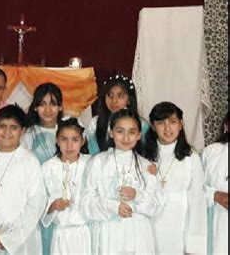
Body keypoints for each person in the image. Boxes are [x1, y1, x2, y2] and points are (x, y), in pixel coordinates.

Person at [82, 109, 162, 254]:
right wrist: (113, 206)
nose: (126, 137)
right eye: (120, 131)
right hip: (109, 234)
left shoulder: (146, 166)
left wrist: (137, 195)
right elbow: (87, 203)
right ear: (111, 133)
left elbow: (156, 206)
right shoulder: (99, 162)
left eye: (132, 132)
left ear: (139, 135)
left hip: (138, 234)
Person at [0, 104, 47, 254]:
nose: (7, 132)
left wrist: (10, 238)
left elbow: (36, 203)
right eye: (2, 126)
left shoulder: (29, 161)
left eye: (13, 127)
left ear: (23, 131)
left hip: (21, 241)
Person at [142, 102, 207, 255]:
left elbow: (197, 201)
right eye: (161, 123)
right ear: (152, 126)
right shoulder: (144, 156)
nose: (167, 128)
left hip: (180, 229)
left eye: (172, 122)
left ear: (180, 124)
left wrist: (194, 246)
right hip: (149, 228)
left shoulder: (191, 157)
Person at [22, 82, 64, 255]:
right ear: (35, 107)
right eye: (43, 104)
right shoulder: (28, 135)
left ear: (60, 107)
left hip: (63, 201)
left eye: (53, 103)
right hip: (36, 203)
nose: (48, 109)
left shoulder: (69, 130)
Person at [41, 118, 92, 254]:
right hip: (61, 234)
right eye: (64, 139)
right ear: (57, 140)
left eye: (75, 139)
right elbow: (40, 202)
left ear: (82, 141)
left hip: (85, 232)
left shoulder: (91, 164)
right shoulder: (48, 167)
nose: (69, 145)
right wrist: (53, 206)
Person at [85, 75, 150, 155]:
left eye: (120, 96)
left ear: (129, 99)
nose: (114, 100)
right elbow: (92, 153)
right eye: (110, 95)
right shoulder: (95, 123)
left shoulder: (142, 125)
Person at [202, 112, 228, 255]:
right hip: (216, 220)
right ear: (226, 126)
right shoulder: (211, 152)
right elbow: (196, 187)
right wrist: (215, 195)